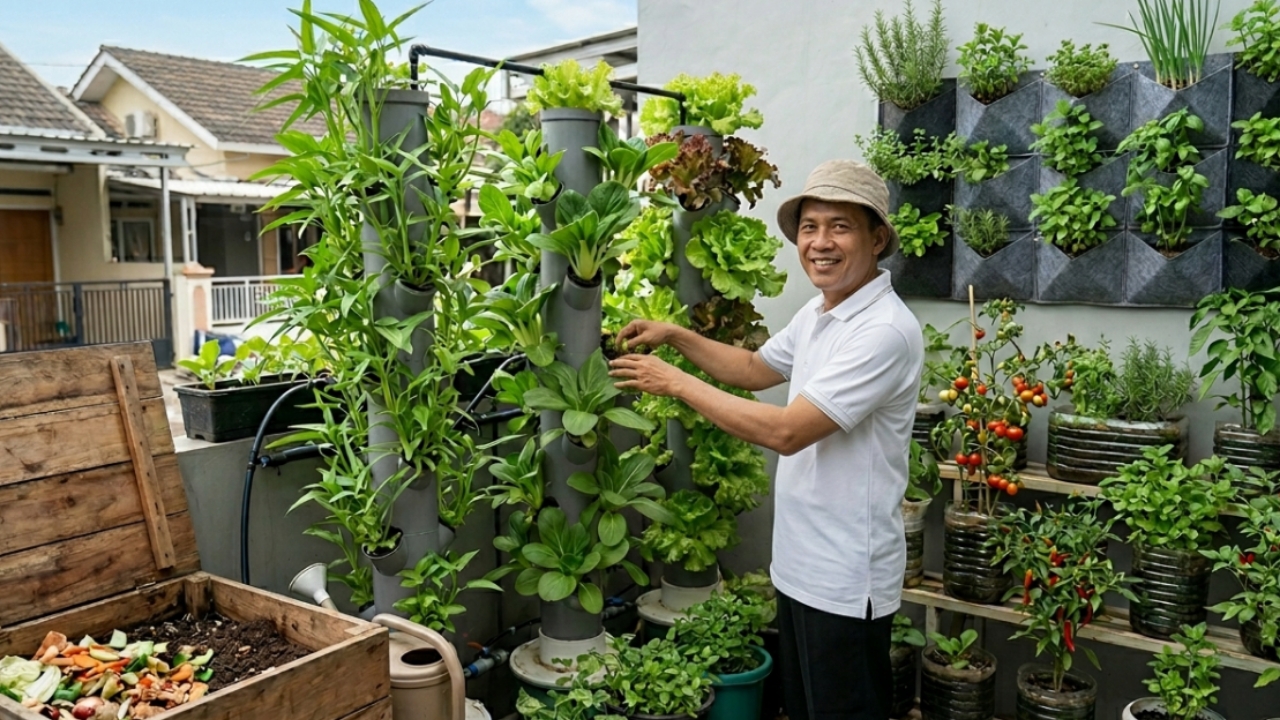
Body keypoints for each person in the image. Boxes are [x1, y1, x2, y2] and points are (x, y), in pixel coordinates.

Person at [609, 160, 924, 720]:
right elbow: (755, 368)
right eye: (809, 227)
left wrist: (675, 383)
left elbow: (786, 431)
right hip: (801, 564)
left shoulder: (883, 331)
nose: (820, 243)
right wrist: (677, 336)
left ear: (877, 239)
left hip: (846, 579)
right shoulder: (821, 312)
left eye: (840, 227)